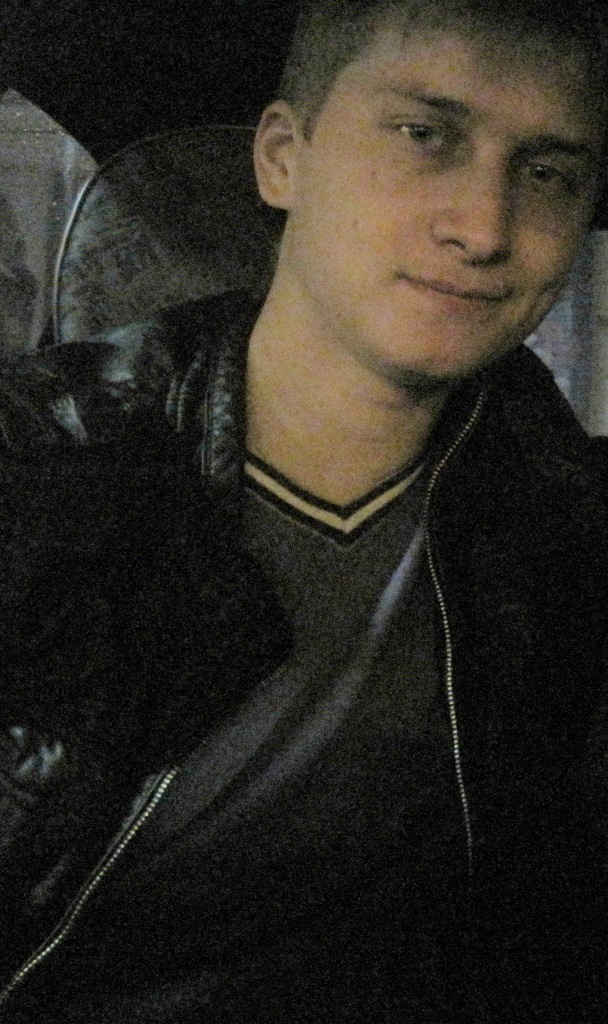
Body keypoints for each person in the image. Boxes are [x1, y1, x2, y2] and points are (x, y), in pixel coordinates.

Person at [0, 0, 607, 1020]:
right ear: (283, 157)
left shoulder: (550, 517)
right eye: (424, 134)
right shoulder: (41, 463)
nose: (483, 228)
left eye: (546, 173)